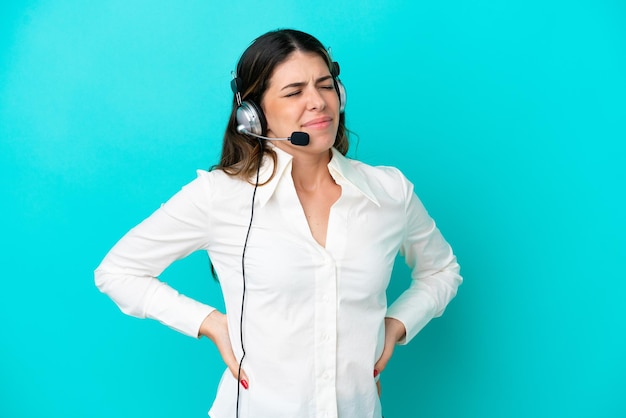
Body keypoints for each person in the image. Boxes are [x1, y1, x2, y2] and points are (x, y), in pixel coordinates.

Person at [95, 28, 462, 418]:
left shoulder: (389, 192)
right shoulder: (221, 196)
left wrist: (397, 324)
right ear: (252, 115)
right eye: (294, 92)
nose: (318, 103)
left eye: (325, 85)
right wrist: (211, 323)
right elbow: (117, 272)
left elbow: (442, 270)